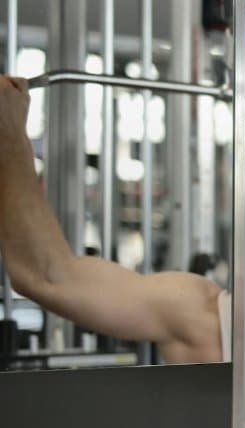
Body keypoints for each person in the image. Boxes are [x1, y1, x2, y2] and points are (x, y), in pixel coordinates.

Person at [0, 75, 227, 364]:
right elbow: (45, 275)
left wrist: (9, 137)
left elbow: (44, 275)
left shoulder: (205, 321)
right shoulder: (205, 316)